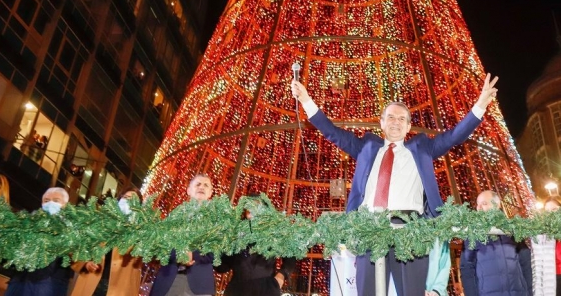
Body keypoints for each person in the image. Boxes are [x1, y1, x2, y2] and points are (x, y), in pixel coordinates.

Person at [291, 73, 499, 296]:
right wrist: (306, 101)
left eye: (401, 119)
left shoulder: (422, 148)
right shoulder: (367, 147)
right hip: (369, 228)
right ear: (381, 123)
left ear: (409, 126)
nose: (395, 122)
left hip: (410, 230)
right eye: (390, 117)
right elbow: (333, 133)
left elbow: (454, 136)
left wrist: (480, 105)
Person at [216, 195, 296, 296]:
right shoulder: (235, 233)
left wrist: (282, 275)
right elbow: (223, 267)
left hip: (266, 289)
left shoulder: (274, 232)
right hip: (238, 289)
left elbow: (290, 256)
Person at [69, 189, 144, 296]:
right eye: (125, 197)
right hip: (91, 284)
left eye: (133, 200)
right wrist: (85, 263)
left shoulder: (142, 231)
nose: (128, 201)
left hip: (120, 289)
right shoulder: (100, 222)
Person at [150, 175, 215, 296]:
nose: (201, 187)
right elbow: (159, 247)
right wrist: (178, 254)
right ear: (188, 190)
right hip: (169, 280)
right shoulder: (173, 217)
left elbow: (217, 252)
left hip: (200, 285)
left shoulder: (217, 221)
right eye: (198, 184)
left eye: (206, 185)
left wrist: (193, 254)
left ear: (210, 193)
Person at [459, 190, 530, 296]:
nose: (479, 208)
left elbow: (526, 264)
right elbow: (467, 269)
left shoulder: (512, 230)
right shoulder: (472, 234)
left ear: (497, 205)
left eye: (484, 203)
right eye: (478, 205)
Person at [5, 187, 74, 296]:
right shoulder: (28, 223)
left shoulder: (72, 227)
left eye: (56, 200)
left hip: (49, 282)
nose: (50, 203)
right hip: (20, 280)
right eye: (46, 201)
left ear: (66, 205)